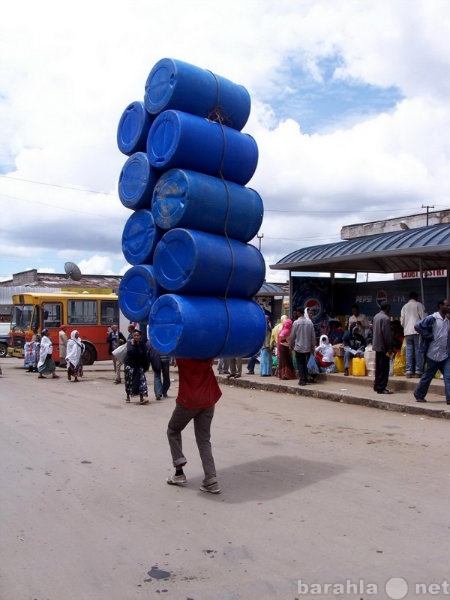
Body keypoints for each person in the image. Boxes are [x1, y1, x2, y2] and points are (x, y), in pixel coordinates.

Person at [166, 358, 221, 494]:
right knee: (204, 440)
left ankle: (179, 472)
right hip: (208, 399)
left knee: (173, 430)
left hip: (188, 400)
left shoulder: (183, 355)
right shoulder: (208, 354)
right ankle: (211, 480)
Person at [413, 299, 450, 405]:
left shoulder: (447, 321)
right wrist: (429, 336)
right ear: (440, 306)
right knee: (428, 376)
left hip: (444, 354)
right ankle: (419, 394)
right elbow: (417, 326)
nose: (449, 308)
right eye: (447, 306)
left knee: (448, 376)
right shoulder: (432, 318)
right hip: (432, 354)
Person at [400, 291, 426, 378]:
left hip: (407, 332)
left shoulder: (404, 307)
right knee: (418, 350)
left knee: (409, 351)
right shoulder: (419, 305)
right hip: (417, 331)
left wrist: (406, 327)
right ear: (416, 297)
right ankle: (418, 371)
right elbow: (423, 319)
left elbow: (402, 322)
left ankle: (409, 371)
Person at [289, 307, 316, 386]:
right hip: (307, 347)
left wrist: (291, 345)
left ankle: (302, 380)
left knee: (300, 364)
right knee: (304, 363)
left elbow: (292, 336)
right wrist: (312, 347)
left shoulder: (296, 323)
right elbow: (313, 336)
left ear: (298, 313)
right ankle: (305, 378)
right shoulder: (310, 323)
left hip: (299, 347)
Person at [372, 301, 394, 394]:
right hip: (383, 346)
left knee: (378, 367)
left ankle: (377, 385)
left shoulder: (376, 316)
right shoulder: (385, 318)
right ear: (387, 308)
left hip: (377, 345)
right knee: (384, 368)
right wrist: (389, 347)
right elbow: (387, 335)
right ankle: (381, 387)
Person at [124, 329, 149, 404]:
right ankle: (128, 396)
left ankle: (141, 399)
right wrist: (133, 345)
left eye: (138, 335)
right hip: (130, 366)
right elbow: (131, 352)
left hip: (139, 366)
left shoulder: (142, 344)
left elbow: (144, 355)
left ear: (140, 336)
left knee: (142, 381)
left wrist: (146, 366)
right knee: (129, 382)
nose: (136, 337)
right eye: (135, 335)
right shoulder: (130, 343)